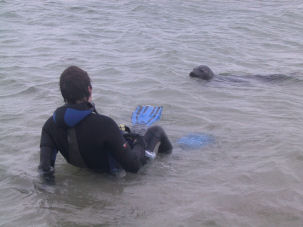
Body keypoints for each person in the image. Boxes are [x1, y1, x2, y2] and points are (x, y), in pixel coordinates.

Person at [38, 66, 172, 177]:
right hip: (115, 173)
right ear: (89, 89)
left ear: (63, 94)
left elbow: (45, 169)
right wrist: (140, 142)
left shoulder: (49, 126)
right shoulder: (105, 125)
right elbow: (134, 166)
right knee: (156, 130)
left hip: (88, 169)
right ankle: (174, 159)